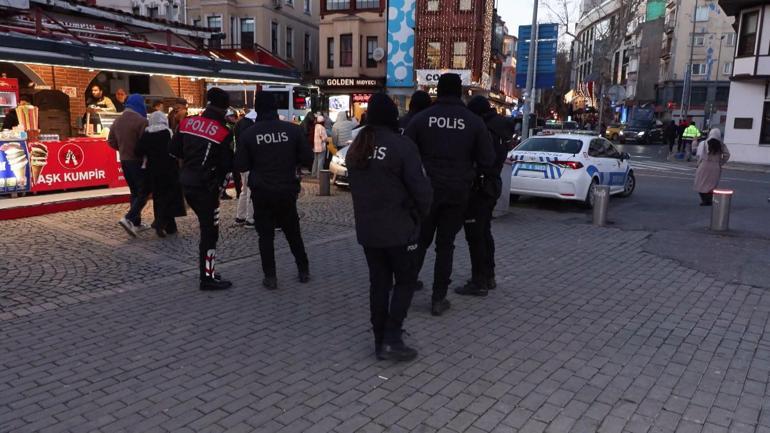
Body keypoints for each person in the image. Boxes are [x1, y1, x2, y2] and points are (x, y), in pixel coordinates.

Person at [346, 93, 433, 361]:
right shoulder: (401, 145)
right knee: (405, 282)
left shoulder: (357, 146)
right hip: (400, 229)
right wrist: (420, 216)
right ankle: (392, 337)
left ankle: (379, 337)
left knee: (379, 284)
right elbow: (421, 190)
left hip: (369, 230)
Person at [404, 73, 495, 316]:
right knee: (446, 245)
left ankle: (406, 288)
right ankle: (438, 298)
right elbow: (487, 160)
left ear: (438, 90)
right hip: (457, 193)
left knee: (420, 241)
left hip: (426, 191)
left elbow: (405, 154)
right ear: (461, 92)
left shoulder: (422, 119)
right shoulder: (474, 122)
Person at [235, 92, 313, 290]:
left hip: (262, 191)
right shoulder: (292, 130)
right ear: (275, 107)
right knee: (293, 232)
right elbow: (307, 158)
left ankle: (270, 276)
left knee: (265, 236)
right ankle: (303, 269)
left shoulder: (249, 134)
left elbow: (241, 165)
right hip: (287, 188)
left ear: (257, 108)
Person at [170, 88, 234, 291]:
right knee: (210, 232)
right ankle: (207, 277)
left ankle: (209, 271)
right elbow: (227, 165)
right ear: (223, 108)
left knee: (208, 230)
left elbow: (174, 150)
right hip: (206, 187)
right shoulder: (223, 131)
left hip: (187, 182)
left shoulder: (187, 123)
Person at [456, 96, 513, 297]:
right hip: (491, 186)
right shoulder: (499, 130)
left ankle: (479, 281)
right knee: (484, 231)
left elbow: (480, 159)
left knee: (475, 235)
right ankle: (488, 275)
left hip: (480, 188)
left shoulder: (484, 131)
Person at [135, 111, 186, 237]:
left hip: (153, 170)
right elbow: (175, 149)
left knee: (158, 197)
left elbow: (138, 151)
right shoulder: (167, 132)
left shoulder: (147, 134)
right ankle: (162, 223)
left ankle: (166, 224)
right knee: (170, 196)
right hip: (169, 169)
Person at [108, 94, 149, 236]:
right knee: (143, 192)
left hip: (124, 160)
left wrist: (122, 149)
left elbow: (111, 141)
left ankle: (136, 223)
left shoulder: (117, 120)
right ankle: (128, 218)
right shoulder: (142, 121)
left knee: (134, 191)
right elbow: (145, 143)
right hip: (138, 161)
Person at [694, 128, 730, 206]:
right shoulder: (721, 145)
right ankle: (709, 200)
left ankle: (704, 200)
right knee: (711, 184)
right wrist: (720, 162)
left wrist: (698, 164)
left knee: (701, 183)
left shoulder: (703, 143)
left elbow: (699, 155)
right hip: (715, 166)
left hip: (704, 165)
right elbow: (727, 155)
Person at [234, 109, 257, 226]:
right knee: (251, 191)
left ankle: (240, 216)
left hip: (241, 162)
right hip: (249, 163)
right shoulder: (251, 127)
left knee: (244, 190)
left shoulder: (239, 124)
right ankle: (250, 218)